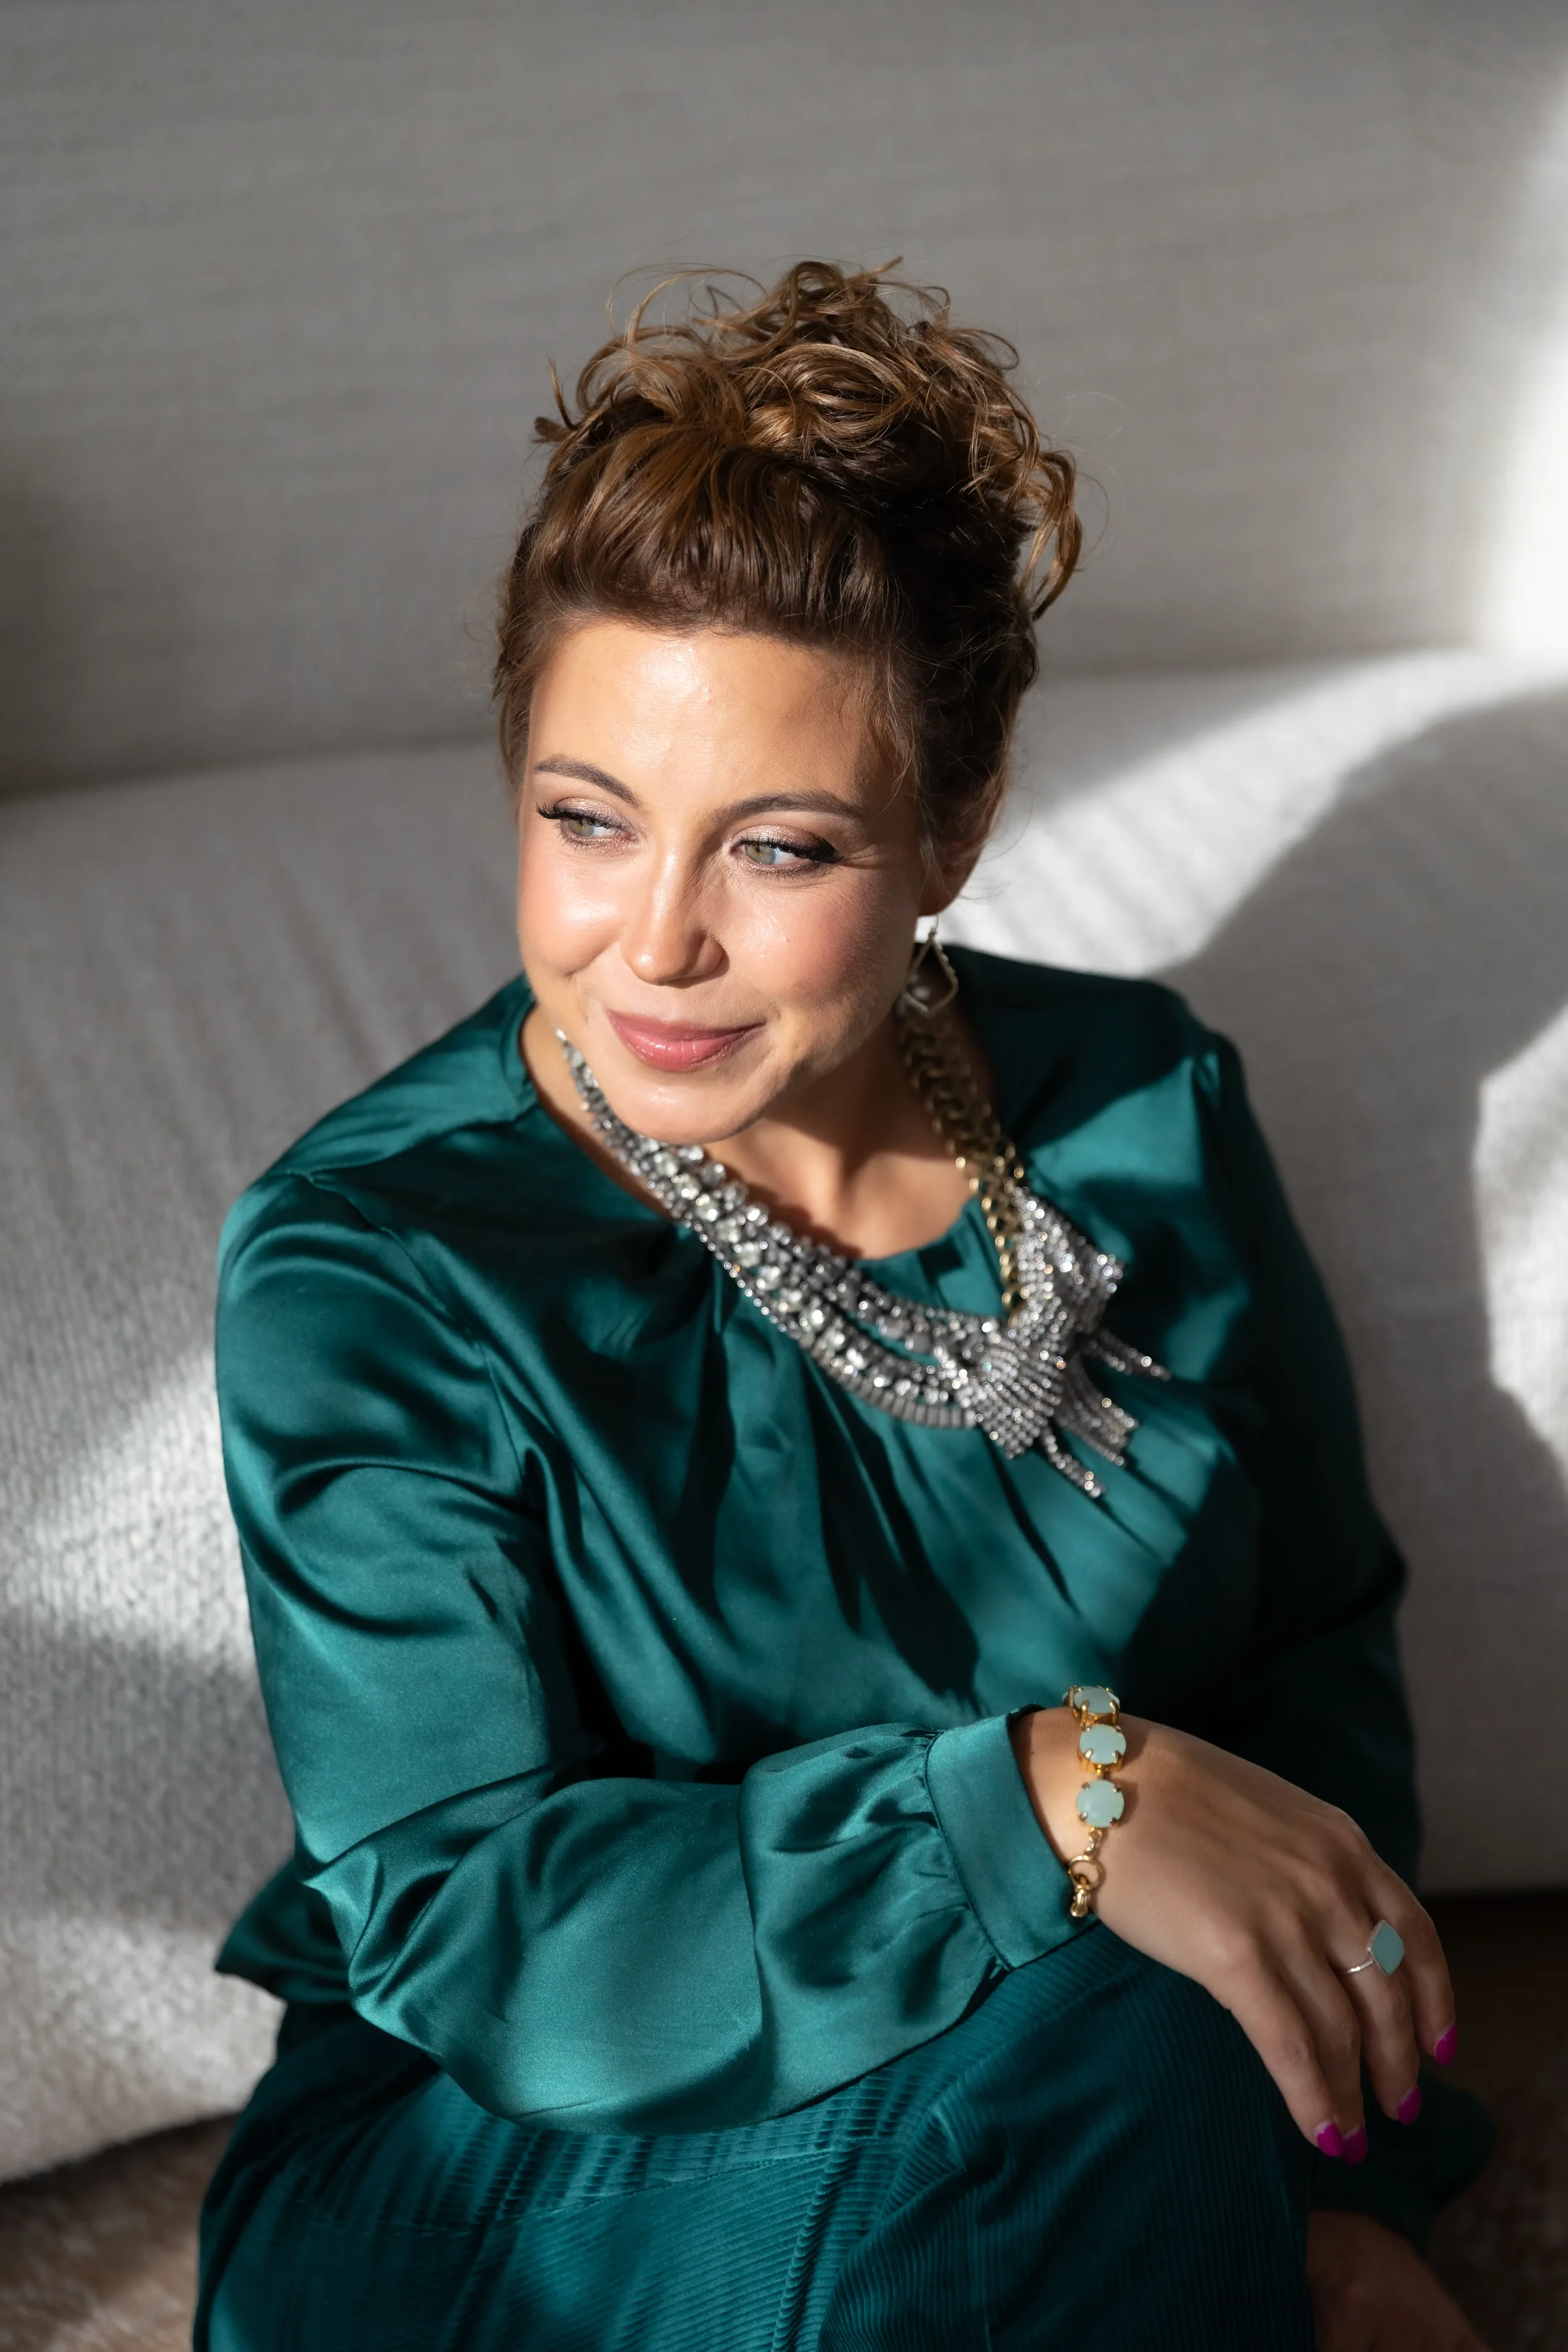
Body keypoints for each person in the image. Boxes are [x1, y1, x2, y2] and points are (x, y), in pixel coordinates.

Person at [198, 263, 1492, 2350]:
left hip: (1062, 2094)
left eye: (780, 845)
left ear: (953, 830)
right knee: (1095, 2073)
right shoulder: (380, 1260)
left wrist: (1322, 2157)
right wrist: (1051, 1793)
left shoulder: (1144, 1106)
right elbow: (481, 1924)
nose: (658, 944)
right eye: (585, 822)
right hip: (502, 2152)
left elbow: (1312, 1667)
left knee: (1119, 2067)